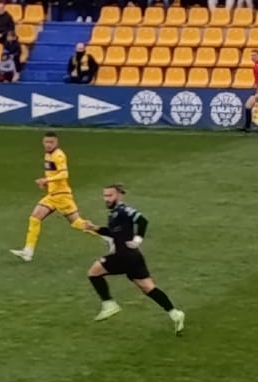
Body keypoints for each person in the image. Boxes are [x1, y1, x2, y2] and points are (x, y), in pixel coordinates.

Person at [81, 184, 184, 334]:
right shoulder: (114, 213)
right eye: (105, 196)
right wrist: (95, 228)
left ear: (119, 196)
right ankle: (175, 313)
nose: (106, 199)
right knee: (148, 288)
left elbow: (142, 221)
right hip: (133, 257)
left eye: (110, 195)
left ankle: (109, 304)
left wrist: (137, 239)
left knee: (94, 272)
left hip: (123, 255)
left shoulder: (124, 210)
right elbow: (114, 233)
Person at [10, 131, 90, 261]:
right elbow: (53, 174)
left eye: (51, 142)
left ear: (56, 143)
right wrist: (47, 184)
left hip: (61, 196)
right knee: (35, 218)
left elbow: (64, 174)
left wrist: (46, 181)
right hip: (53, 194)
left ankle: (107, 236)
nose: (48, 145)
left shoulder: (58, 155)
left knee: (76, 223)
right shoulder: (48, 155)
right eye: (46, 142)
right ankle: (28, 252)